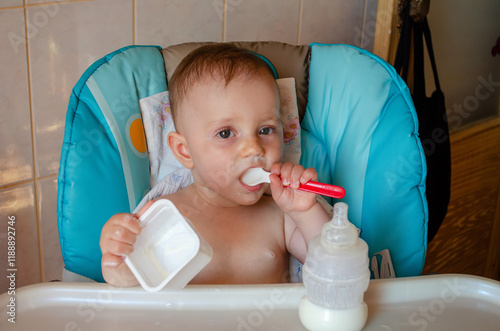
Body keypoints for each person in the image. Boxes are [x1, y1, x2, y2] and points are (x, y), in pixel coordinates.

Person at [100, 44, 330, 286]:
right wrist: (118, 259)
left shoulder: (282, 217)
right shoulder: (166, 213)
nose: (253, 148)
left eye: (265, 130)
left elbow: (333, 271)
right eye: (225, 133)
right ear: (184, 150)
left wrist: (305, 212)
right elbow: (129, 283)